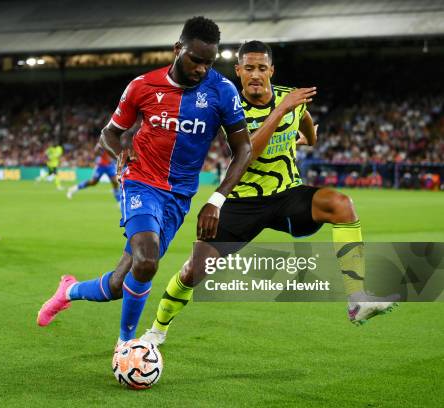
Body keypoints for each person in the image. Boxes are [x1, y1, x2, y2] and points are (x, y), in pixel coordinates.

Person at [37, 20, 314, 348]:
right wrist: (120, 151)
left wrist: (217, 200)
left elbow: (244, 149)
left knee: (116, 284)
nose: (201, 69)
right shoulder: (142, 86)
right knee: (147, 260)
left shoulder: (222, 91)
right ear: (177, 49)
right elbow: (109, 133)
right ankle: (127, 345)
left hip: (178, 197)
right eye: (195, 59)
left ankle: (67, 290)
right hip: (140, 182)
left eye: (208, 63)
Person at [141, 41, 396, 346]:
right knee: (193, 271)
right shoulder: (229, 106)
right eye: (249, 68)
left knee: (341, 204)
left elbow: (302, 118)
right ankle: (157, 330)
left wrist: (307, 138)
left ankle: (357, 298)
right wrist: (281, 110)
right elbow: (247, 151)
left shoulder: (291, 98)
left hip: (287, 194)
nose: (256, 74)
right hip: (241, 201)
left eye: (262, 68)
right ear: (238, 71)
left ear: (271, 70)